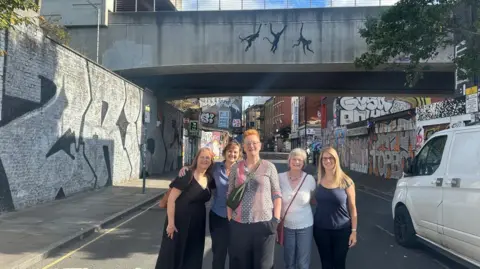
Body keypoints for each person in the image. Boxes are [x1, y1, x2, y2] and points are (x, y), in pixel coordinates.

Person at [177, 140, 242, 269]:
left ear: (239, 154)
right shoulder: (216, 168)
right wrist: (187, 168)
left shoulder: (243, 170)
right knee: (219, 254)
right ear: (224, 152)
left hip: (238, 219)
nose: (232, 154)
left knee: (236, 254)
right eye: (230, 151)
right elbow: (201, 168)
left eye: (235, 152)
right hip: (218, 217)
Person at [227, 129, 282, 269]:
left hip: (264, 223)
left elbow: (276, 194)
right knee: (240, 264)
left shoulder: (269, 167)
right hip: (239, 224)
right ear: (243, 148)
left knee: (263, 265)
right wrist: (230, 218)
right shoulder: (236, 168)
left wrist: (275, 220)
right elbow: (230, 193)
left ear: (260, 145)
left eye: (254, 143)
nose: (251, 146)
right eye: (248, 143)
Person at [155, 147, 216, 269]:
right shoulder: (187, 174)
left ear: (211, 161)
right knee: (172, 254)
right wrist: (171, 224)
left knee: (192, 255)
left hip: (197, 224)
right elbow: (171, 199)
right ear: (196, 159)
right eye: (202, 157)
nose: (204, 160)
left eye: (207, 158)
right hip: (179, 222)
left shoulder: (209, 178)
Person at [313, 147, 358, 269]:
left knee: (339, 264)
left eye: (330, 158)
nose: (327, 161)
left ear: (336, 160)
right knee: (326, 264)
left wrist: (354, 231)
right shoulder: (317, 180)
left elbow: (353, 208)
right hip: (320, 230)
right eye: (324, 158)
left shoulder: (346, 181)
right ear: (321, 161)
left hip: (342, 230)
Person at [278, 148, 316, 269]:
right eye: (294, 159)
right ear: (289, 161)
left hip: (305, 225)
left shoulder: (309, 179)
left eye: (300, 160)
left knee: (302, 263)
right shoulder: (280, 178)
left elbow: (314, 199)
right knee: (289, 261)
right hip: (287, 225)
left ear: (303, 163)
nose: (297, 162)